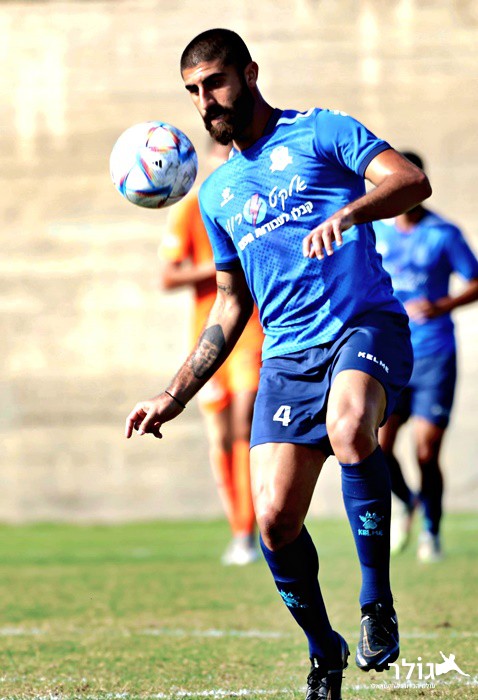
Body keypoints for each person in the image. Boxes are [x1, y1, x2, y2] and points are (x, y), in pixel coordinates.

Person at [125, 28, 431, 700]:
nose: (206, 100)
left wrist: (350, 214)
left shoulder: (322, 131)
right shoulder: (218, 194)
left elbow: (411, 182)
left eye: (215, 82)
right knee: (273, 521)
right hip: (287, 359)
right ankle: (325, 650)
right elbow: (231, 303)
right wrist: (173, 395)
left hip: (363, 326)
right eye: (194, 91)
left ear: (250, 73)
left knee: (350, 428)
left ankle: (377, 603)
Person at [159, 140, 263, 565]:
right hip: (208, 332)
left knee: (245, 423)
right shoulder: (192, 209)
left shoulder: (254, 202)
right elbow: (168, 275)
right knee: (220, 435)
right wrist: (223, 263)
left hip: (251, 330)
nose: (228, 160)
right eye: (222, 153)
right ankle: (238, 528)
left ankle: (249, 530)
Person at [374, 151, 478, 562]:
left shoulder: (443, 233)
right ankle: (406, 501)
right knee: (378, 448)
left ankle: (431, 531)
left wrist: (442, 305)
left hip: (434, 353)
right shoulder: (375, 231)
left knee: (426, 451)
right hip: (389, 355)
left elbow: (475, 280)